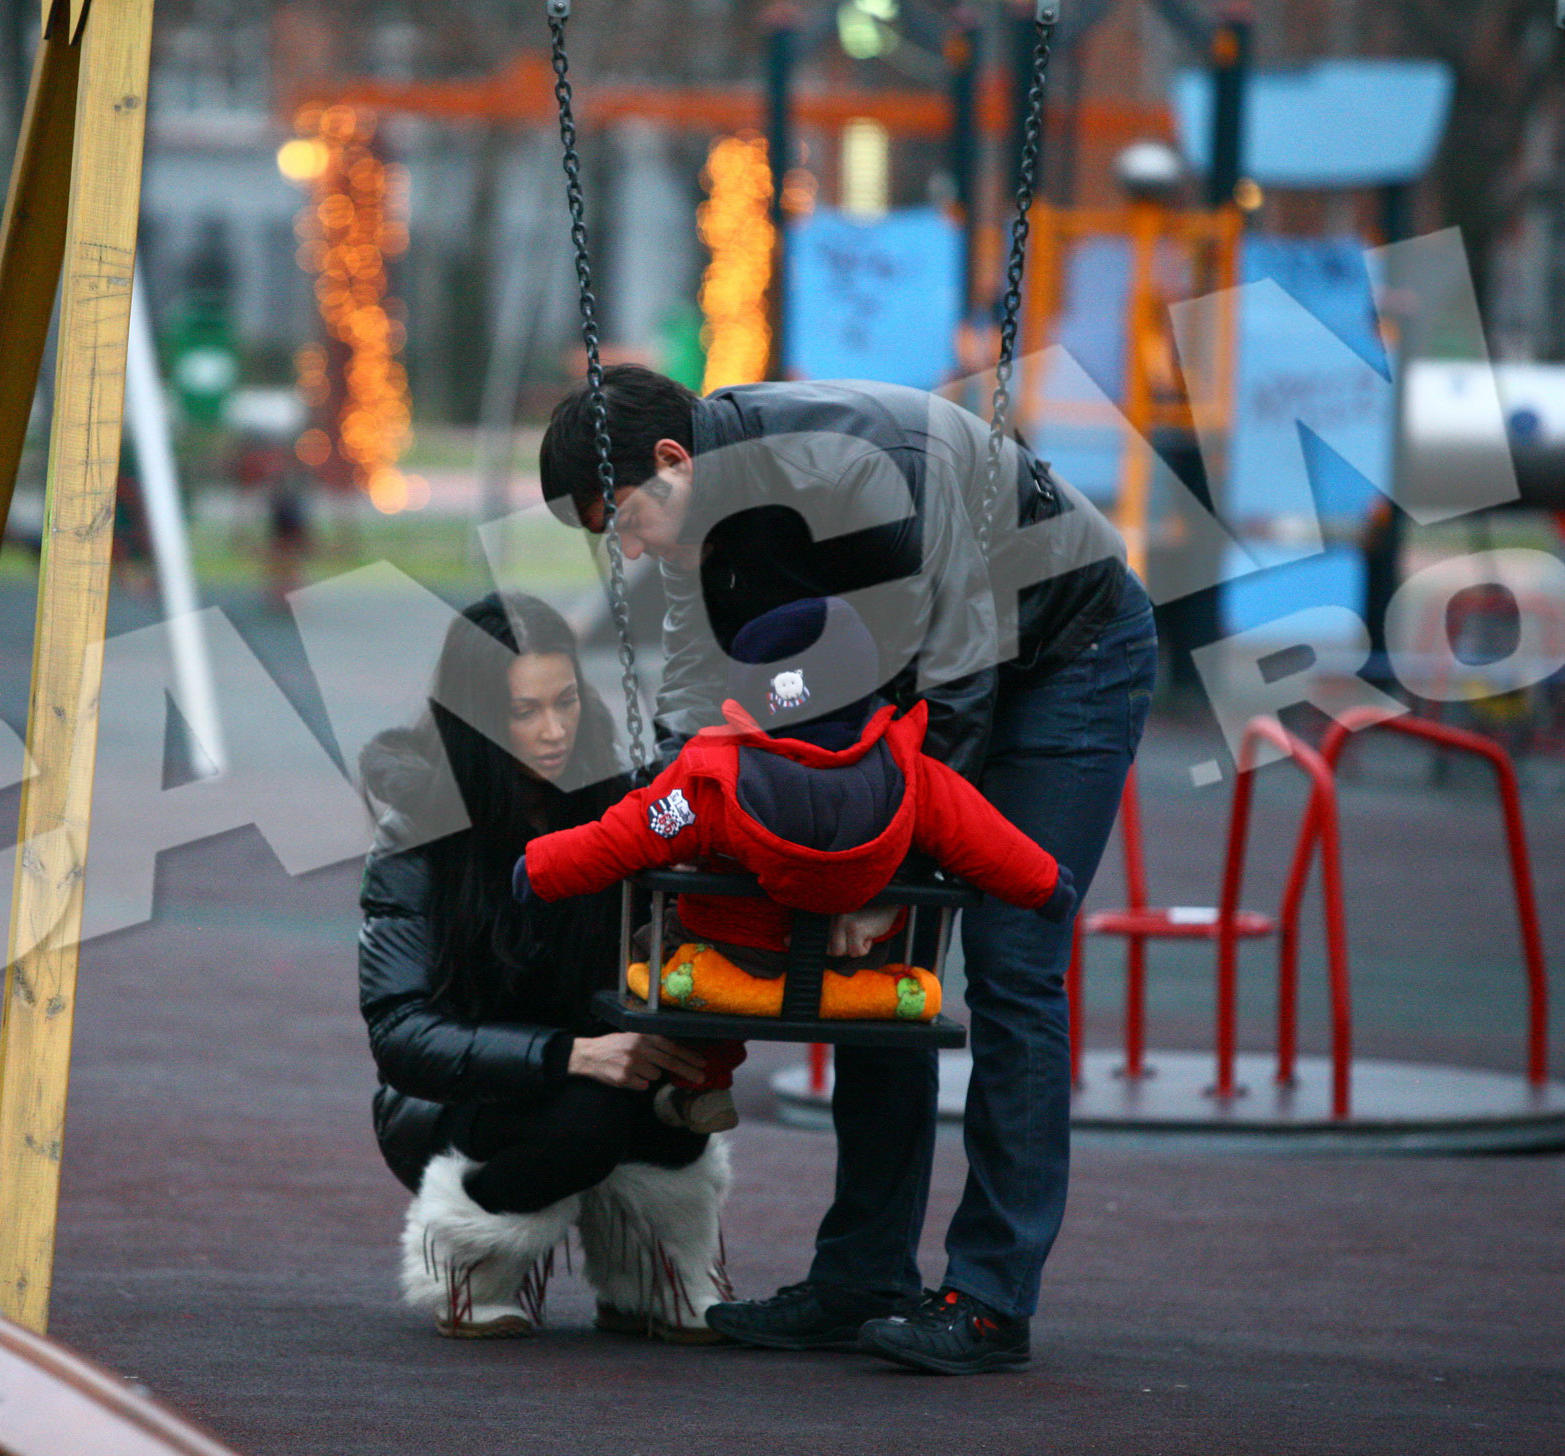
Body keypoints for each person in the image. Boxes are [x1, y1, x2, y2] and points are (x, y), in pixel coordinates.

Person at [539, 366, 1157, 1375]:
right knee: (867, 968)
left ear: (669, 462)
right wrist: (664, 845)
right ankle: (864, 1275)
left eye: (624, 525)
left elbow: (958, 673)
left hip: (1065, 649)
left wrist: (879, 873)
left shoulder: (861, 469)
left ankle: (991, 1293)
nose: (631, 551)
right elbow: (707, 703)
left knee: (1008, 955)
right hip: (921, 674)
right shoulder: (700, 520)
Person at [514, 596, 1077, 1136]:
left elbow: (626, 834)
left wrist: (540, 869)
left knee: (656, 938)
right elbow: (987, 840)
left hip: (735, 959)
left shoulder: (713, 778)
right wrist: (1048, 886)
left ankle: (705, 1082)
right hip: (854, 962)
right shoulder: (911, 773)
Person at [358, 592, 732, 1342]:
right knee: (585, 1120)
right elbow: (400, 1036)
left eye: (566, 702)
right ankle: (471, 1260)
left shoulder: (621, 801)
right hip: (453, 1102)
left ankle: (651, 1281)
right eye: (524, 712)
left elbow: (717, 824)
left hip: (599, 1064)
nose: (554, 730)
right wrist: (567, 1054)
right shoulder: (420, 829)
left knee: (675, 1096)